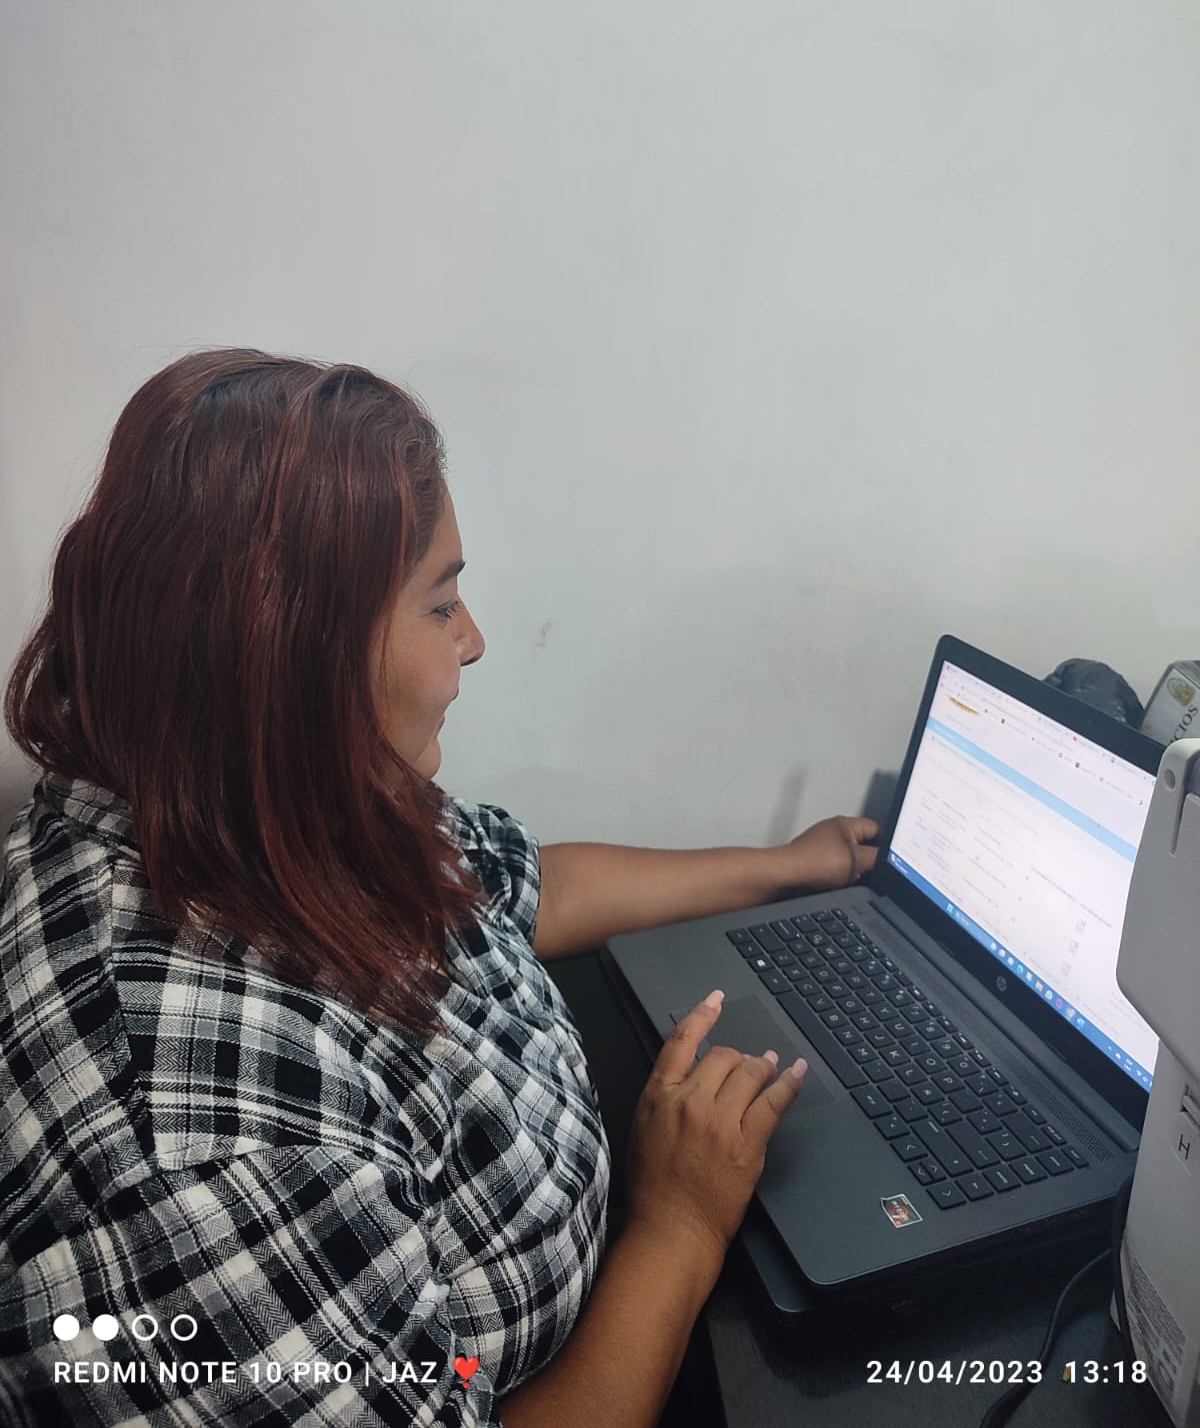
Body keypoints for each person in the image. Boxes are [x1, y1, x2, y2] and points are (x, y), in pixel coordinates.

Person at [0, 348, 879, 1427]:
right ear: (292, 654)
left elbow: (521, 883)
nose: (474, 639)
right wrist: (682, 1227)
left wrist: (790, 864)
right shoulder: (201, 1151)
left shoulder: (265, 787)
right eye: (439, 604)